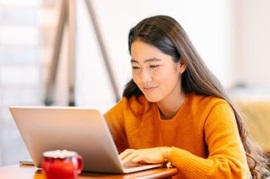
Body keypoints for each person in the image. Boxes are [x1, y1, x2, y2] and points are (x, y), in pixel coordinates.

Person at [104, 15, 269, 178]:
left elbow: (234, 173)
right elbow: (88, 142)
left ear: (181, 63)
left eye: (153, 66)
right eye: (136, 67)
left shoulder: (212, 108)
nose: (144, 78)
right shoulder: (132, 106)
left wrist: (168, 154)